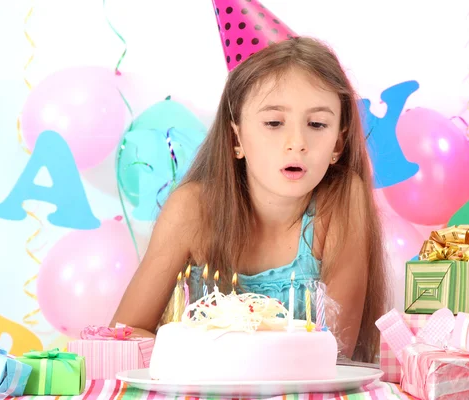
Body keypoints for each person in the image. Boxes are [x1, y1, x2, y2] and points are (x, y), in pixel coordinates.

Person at [111, 37, 389, 363]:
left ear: (337, 145)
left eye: (317, 124)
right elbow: (121, 338)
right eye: (273, 122)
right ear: (236, 137)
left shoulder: (341, 201)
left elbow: (335, 350)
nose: (297, 142)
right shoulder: (192, 210)